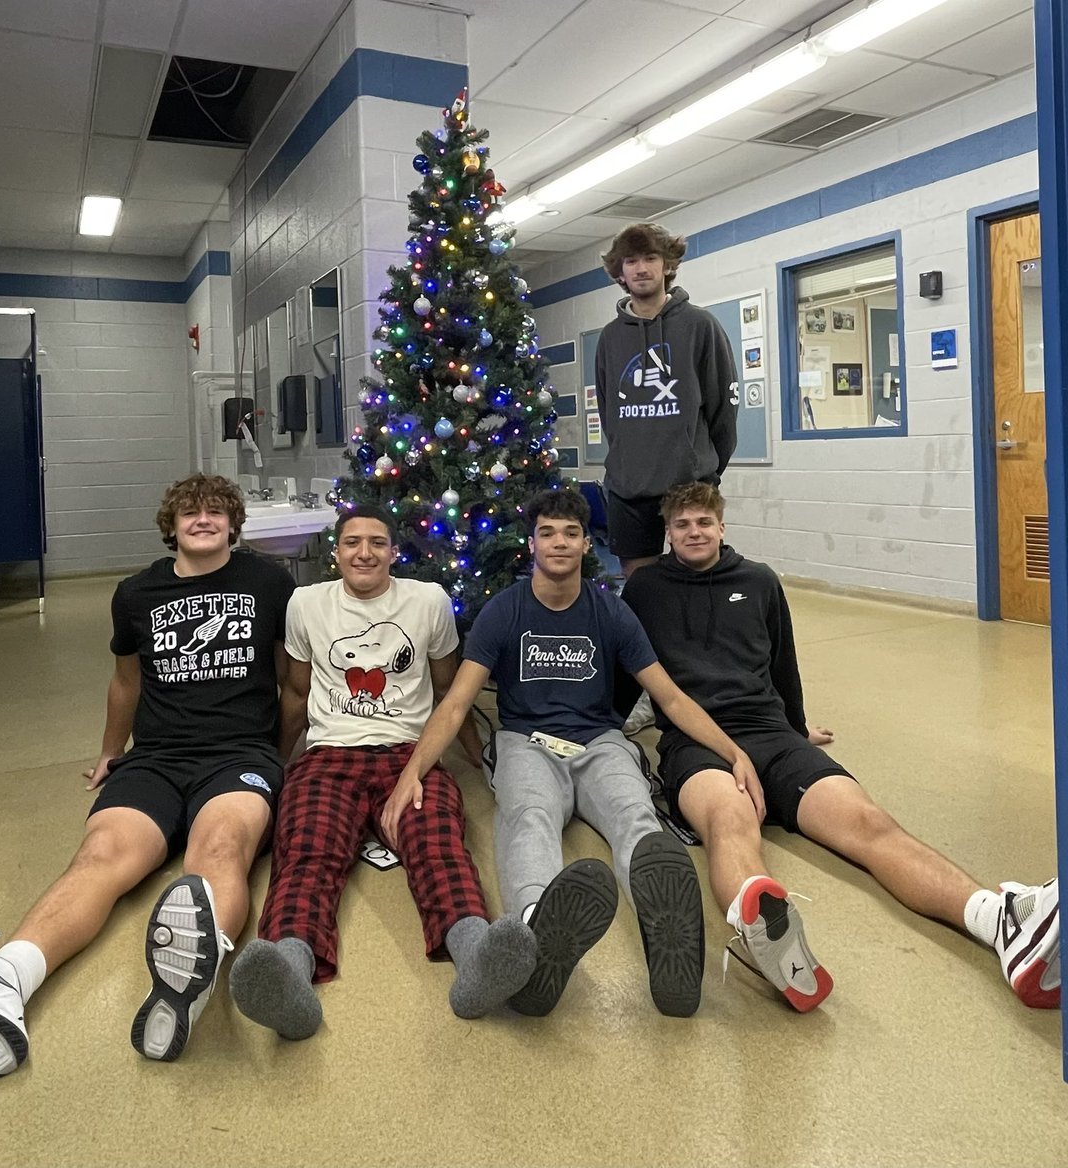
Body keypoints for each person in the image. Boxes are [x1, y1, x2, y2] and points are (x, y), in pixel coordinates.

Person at [0, 474, 296, 1081]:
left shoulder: (270, 582)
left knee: (219, 850)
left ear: (234, 523)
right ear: (170, 525)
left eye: (215, 511)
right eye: (189, 512)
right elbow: (126, 683)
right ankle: (4, 983)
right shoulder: (135, 593)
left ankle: (190, 987)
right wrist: (110, 752)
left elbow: (292, 681)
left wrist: (282, 760)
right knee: (99, 856)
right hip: (154, 756)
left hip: (238, 755)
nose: (202, 520)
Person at [620, 482, 1061, 1012]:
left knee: (872, 826)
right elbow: (628, 669)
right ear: (668, 533)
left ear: (722, 526)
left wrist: (797, 726)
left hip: (771, 733)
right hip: (696, 742)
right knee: (729, 824)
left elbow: (784, 664)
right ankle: (763, 928)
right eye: (682, 525)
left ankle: (997, 918)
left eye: (704, 523)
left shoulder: (758, 581)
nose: (694, 532)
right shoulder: (644, 588)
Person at [385, 488, 759, 1018]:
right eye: (547, 533)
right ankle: (538, 933)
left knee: (636, 816)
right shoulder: (503, 611)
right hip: (525, 742)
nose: (559, 542)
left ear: (587, 544)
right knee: (529, 816)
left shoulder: (610, 612)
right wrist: (412, 772)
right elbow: (455, 704)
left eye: (570, 533)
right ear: (531, 544)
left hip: (600, 740)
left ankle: (664, 930)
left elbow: (670, 695)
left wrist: (732, 751)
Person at [227, 504, 535, 1040]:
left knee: (437, 842)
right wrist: (278, 765)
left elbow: (447, 693)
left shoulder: (428, 601)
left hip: (409, 755)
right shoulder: (306, 604)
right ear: (336, 553)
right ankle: (290, 975)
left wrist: (478, 757)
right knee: (307, 852)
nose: (364, 553)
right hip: (328, 757)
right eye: (351, 543)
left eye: (376, 542)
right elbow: (296, 692)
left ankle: (475, 954)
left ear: (394, 552)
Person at [596, 222, 739, 579]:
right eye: (630, 261)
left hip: (690, 482)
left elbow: (723, 410)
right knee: (639, 584)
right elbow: (608, 413)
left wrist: (703, 466)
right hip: (629, 487)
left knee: (698, 578)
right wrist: (629, 461)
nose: (641, 268)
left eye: (650, 258)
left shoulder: (700, 325)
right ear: (620, 271)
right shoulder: (610, 338)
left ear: (668, 265)